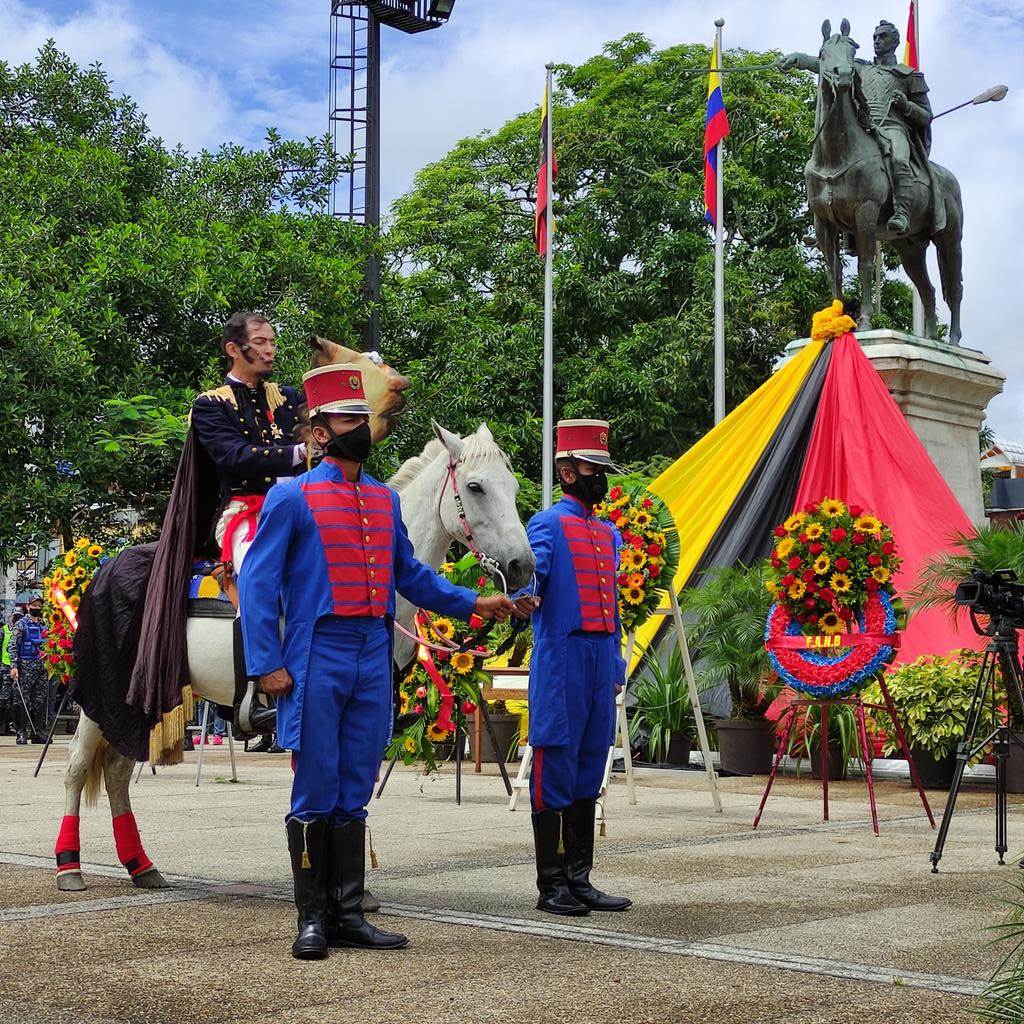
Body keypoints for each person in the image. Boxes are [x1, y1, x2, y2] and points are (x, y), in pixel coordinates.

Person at [239, 363, 517, 960]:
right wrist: (267, 663)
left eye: (362, 418)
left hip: (371, 651)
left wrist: (474, 602)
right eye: (347, 419)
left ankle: (346, 911)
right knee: (315, 784)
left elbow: (411, 576)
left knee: (356, 782)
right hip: (317, 653)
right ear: (318, 432)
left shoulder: (381, 501)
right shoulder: (291, 498)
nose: (359, 427)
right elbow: (258, 585)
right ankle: (311, 917)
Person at [512, 420, 632, 917]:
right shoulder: (548, 523)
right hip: (562, 655)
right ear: (566, 471)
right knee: (556, 764)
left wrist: (618, 661)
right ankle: (552, 883)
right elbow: (527, 573)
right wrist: (518, 592)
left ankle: (580, 877)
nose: (599, 479)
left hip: (600, 657)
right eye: (591, 469)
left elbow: (615, 605)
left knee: (590, 764)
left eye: (602, 470)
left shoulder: (607, 534)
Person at [777, 19, 933, 234]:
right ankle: (830, 214)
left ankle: (902, 212)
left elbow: (926, 116)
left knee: (898, 159)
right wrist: (801, 59)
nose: (877, 41)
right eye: (875, 37)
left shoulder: (908, 75)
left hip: (893, 128)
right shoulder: (860, 67)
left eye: (883, 37)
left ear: (895, 42)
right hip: (864, 126)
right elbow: (826, 64)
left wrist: (906, 106)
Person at [7, 597, 48, 744]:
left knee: (40, 699)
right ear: (28, 606)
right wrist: (13, 666)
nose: (37, 607)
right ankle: (21, 732)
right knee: (21, 700)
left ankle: (37, 732)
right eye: (34, 605)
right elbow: (12, 646)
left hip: (42, 667)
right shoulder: (21, 624)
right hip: (25, 667)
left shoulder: (45, 624)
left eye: (39, 605)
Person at [0, 610, 24, 737]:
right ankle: (2, 726)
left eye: (19, 616)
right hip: (5, 667)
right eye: (15, 616)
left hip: (20, 668)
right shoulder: (4, 630)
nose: (16, 619)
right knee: (4, 698)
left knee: (16, 699)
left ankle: (12, 726)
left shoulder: (23, 628)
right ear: (10, 617)